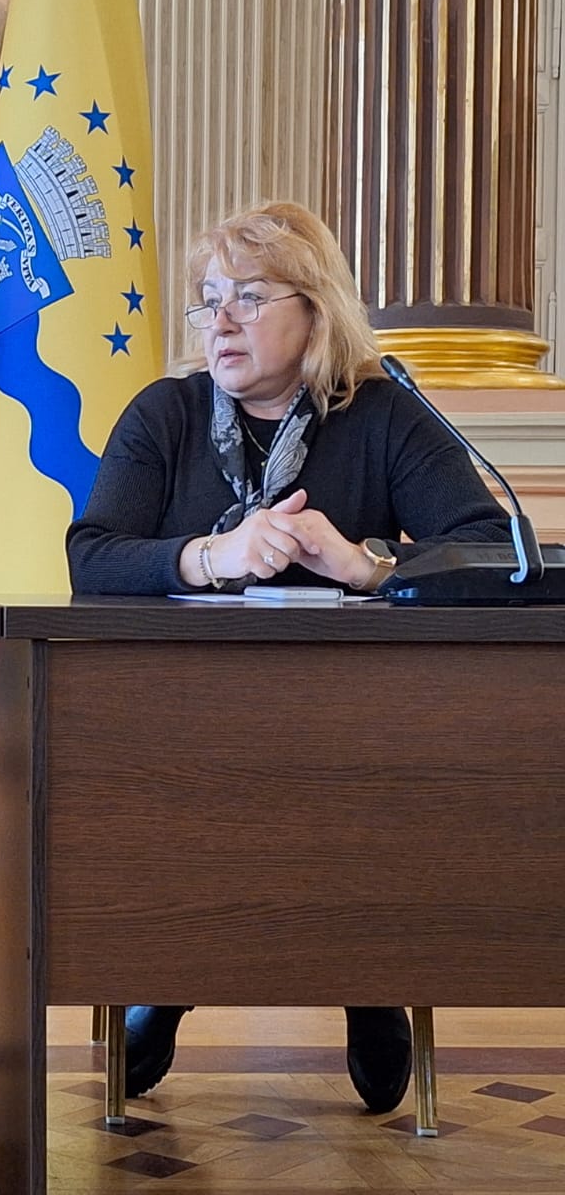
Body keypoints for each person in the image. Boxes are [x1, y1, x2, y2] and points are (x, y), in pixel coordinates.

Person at [66, 201, 509, 1113]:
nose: (219, 321)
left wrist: (366, 564)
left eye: (249, 296)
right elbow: (92, 554)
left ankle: (369, 970)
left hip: (348, 726)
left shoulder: (382, 415)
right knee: (183, 785)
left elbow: (491, 549)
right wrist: (210, 555)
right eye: (208, 299)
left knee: (356, 783)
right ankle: (166, 969)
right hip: (183, 723)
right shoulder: (166, 414)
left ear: (315, 309)